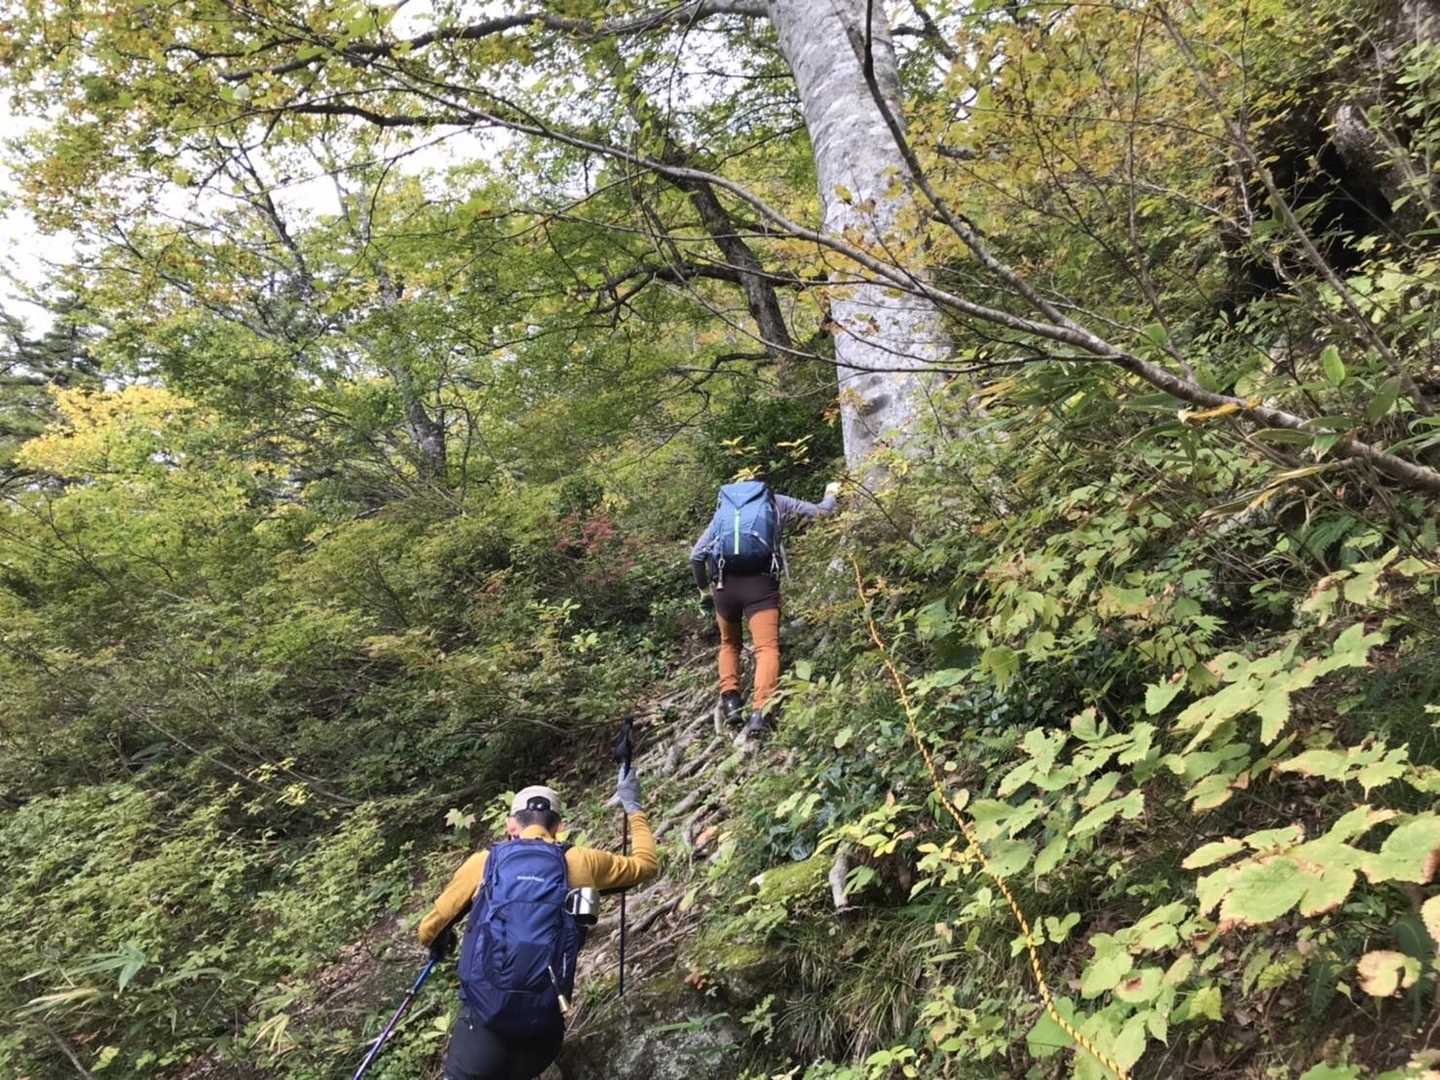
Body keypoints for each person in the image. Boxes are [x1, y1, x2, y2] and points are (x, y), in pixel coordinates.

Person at [418, 771, 656, 1080]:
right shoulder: (581, 861)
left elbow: (428, 930)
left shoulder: (484, 863)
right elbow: (646, 865)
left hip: (483, 1033)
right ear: (559, 827)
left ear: (511, 825)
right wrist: (633, 807)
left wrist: (441, 938)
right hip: (543, 1031)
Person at [689, 476, 841, 738]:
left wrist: (705, 592)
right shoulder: (776, 501)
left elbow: (696, 555)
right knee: (766, 649)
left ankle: (731, 703)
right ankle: (760, 713)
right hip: (761, 587)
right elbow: (822, 513)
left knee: (729, 644)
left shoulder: (725, 510)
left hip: (724, 587)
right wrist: (831, 493)